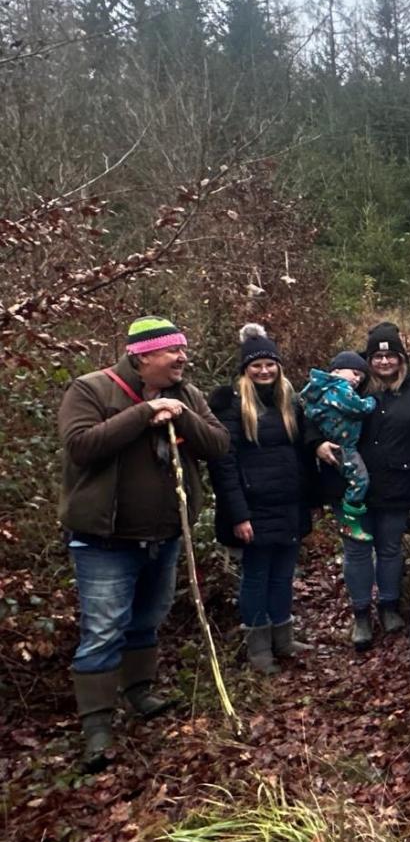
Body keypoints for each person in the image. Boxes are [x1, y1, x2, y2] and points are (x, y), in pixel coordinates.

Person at [59, 315, 229, 770]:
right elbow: (80, 447)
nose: (182, 358)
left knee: (148, 618)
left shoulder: (187, 394)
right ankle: (96, 726)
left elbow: (218, 445)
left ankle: (139, 693)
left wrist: (182, 415)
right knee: (103, 630)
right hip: (105, 542)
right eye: (173, 351)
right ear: (143, 357)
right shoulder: (92, 390)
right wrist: (143, 414)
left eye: (183, 350)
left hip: (165, 536)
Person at [308, 322, 410, 651]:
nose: (384, 363)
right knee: (356, 551)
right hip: (347, 485)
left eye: (391, 356)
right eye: (377, 357)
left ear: (401, 358)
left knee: (389, 548)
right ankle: (361, 613)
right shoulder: (350, 386)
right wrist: (315, 444)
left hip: (396, 484)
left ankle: (388, 605)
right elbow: (311, 416)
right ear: (368, 360)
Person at [207, 324, 315, 675]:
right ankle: (258, 648)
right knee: (256, 576)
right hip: (253, 509)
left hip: (289, 505)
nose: (264, 371)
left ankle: (283, 637)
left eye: (270, 364)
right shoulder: (233, 406)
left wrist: (310, 498)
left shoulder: (290, 402)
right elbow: (225, 465)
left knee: (283, 575)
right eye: (256, 365)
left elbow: (302, 452)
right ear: (245, 370)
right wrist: (239, 514)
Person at [299, 353, 376, 541]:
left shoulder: (319, 389)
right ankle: (350, 522)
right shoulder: (340, 388)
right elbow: (358, 407)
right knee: (360, 481)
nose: (357, 380)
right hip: (343, 447)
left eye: (361, 378)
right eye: (355, 373)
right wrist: (372, 401)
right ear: (337, 370)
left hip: (333, 442)